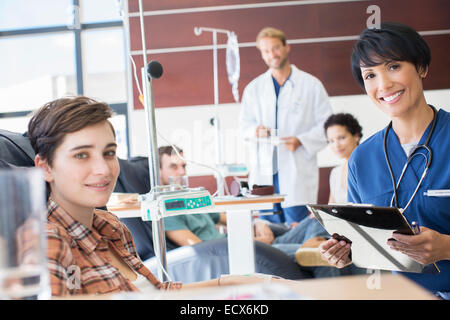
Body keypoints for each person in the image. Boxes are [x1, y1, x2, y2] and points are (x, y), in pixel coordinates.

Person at [27, 96, 291, 296]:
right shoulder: (48, 239)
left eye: (109, 153)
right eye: (81, 155)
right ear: (46, 167)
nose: (104, 169)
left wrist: (229, 283)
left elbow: (155, 294)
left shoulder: (111, 227)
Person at [319, 22, 450, 299]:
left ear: (422, 67)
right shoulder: (362, 159)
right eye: (370, 75)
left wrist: (447, 247)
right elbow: (361, 239)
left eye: (393, 66)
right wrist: (345, 253)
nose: (383, 85)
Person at [240, 27, 333, 225]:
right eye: (266, 51)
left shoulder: (311, 85)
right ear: (262, 54)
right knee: (268, 230)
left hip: (296, 171)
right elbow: (244, 126)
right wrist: (255, 130)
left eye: (275, 48)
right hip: (265, 174)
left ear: (286, 47)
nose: (272, 54)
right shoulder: (254, 89)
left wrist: (302, 140)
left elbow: (328, 126)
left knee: (298, 231)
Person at [324, 113, 363, 203]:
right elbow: (331, 207)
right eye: (331, 141)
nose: (336, 145)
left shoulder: (370, 166)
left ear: (356, 136)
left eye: (341, 138)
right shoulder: (335, 173)